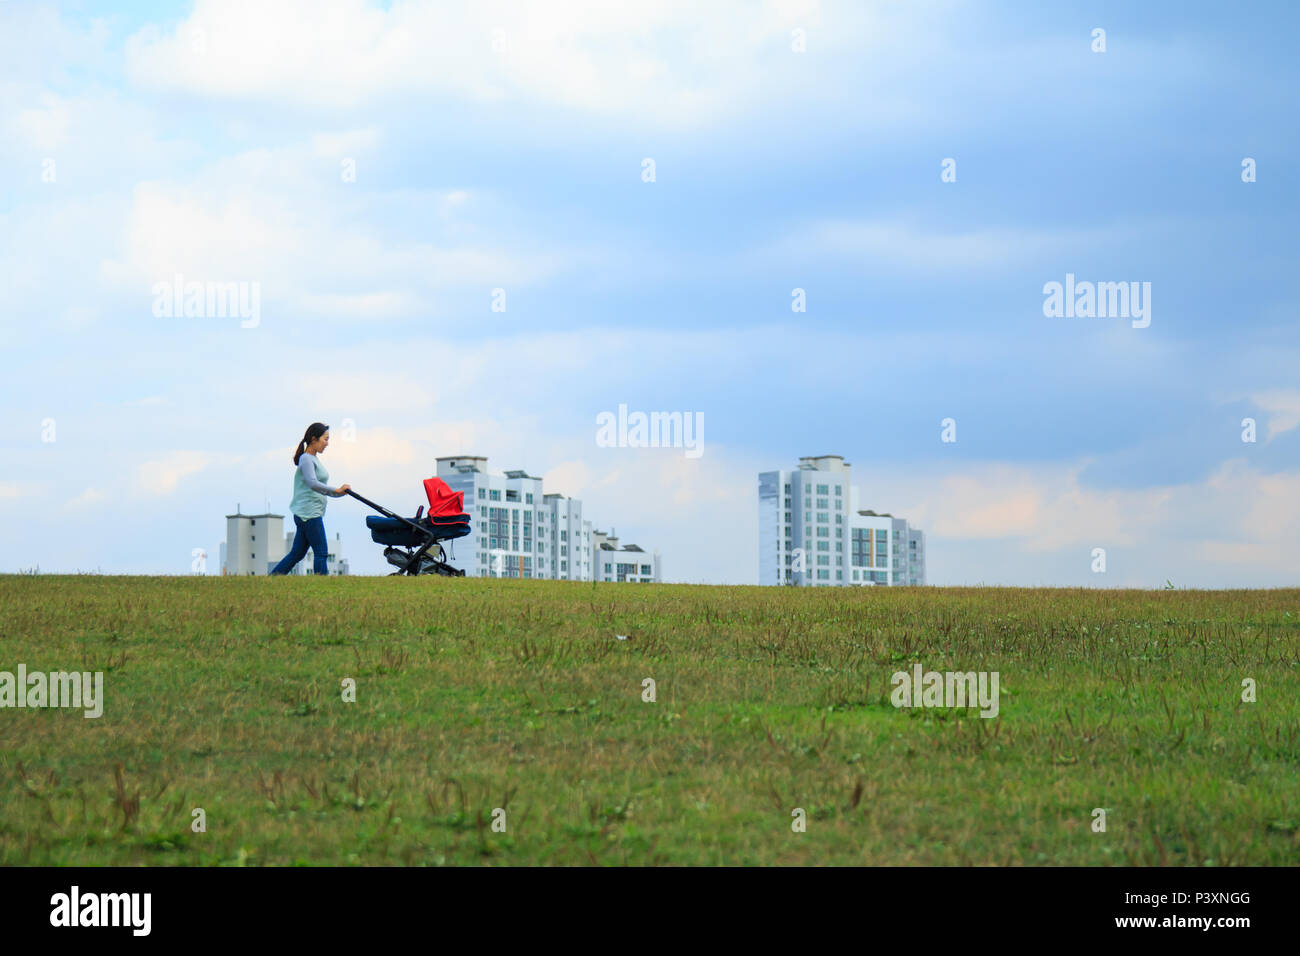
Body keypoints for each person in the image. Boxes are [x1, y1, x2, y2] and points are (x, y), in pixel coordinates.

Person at [270, 422, 350, 575]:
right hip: (309, 514)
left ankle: (272, 578)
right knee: (321, 552)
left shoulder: (312, 459)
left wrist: (339, 493)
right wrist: (336, 490)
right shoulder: (306, 459)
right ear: (314, 439)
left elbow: (317, 485)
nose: (327, 443)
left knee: (297, 554)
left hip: (307, 513)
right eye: (325, 439)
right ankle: (323, 586)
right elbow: (312, 483)